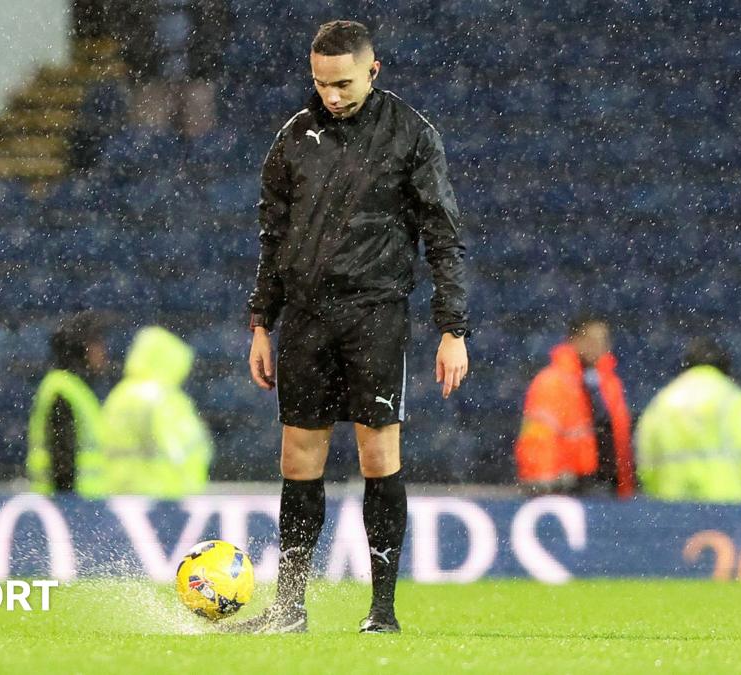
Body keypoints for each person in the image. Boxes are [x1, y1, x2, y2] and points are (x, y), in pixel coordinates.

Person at [234, 20, 470, 634]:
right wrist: (263, 321)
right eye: (320, 83)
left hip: (374, 314)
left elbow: (443, 235)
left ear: (373, 70)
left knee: (377, 454)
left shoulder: (411, 134)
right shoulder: (293, 137)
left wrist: (453, 328)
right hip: (308, 320)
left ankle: (382, 612)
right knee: (298, 458)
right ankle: (288, 609)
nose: (332, 96)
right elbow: (273, 237)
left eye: (342, 83)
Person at [634, 337, 741, 502]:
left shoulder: (661, 404)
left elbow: (646, 466)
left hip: (673, 515)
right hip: (725, 513)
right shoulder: (732, 400)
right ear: (726, 368)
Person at [514, 314, 634, 498]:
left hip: (605, 486)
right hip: (567, 486)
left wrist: (623, 486)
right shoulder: (552, 381)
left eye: (603, 341)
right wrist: (543, 483)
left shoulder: (609, 384)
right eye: (591, 339)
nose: (598, 347)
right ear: (573, 340)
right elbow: (539, 438)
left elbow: (617, 437)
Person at [101, 326, 213, 497]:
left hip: (119, 493)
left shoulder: (119, 395)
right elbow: (176, 451)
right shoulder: (162, 397)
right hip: (163, 496)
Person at [26, 312, 110, 498]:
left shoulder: (72, 388)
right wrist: (68, 506)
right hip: (74, 506)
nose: (103, 351)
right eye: (96, 343)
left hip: (79, 505)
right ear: (82, 349)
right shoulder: (64, 390)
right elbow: (62, 458)